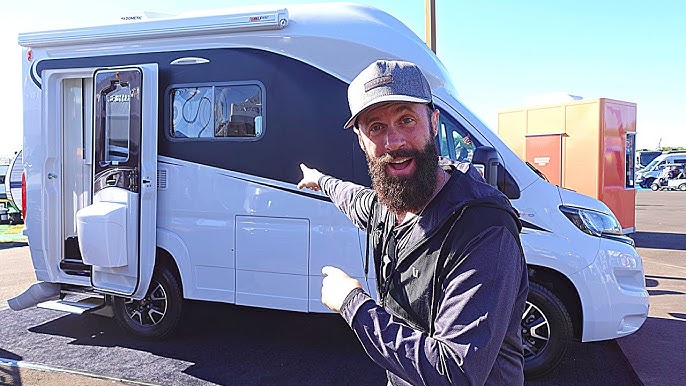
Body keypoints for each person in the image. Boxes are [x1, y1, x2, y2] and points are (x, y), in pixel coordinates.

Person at [297, 60, 528, 385]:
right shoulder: (387, 206)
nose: (393, 142)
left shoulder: (483, 229)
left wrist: (353, 304)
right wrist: (319, 180)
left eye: (406, 119)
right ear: (362, 141)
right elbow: (352, 197)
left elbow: (454, 372)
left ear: (434, 123)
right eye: (376, 127)